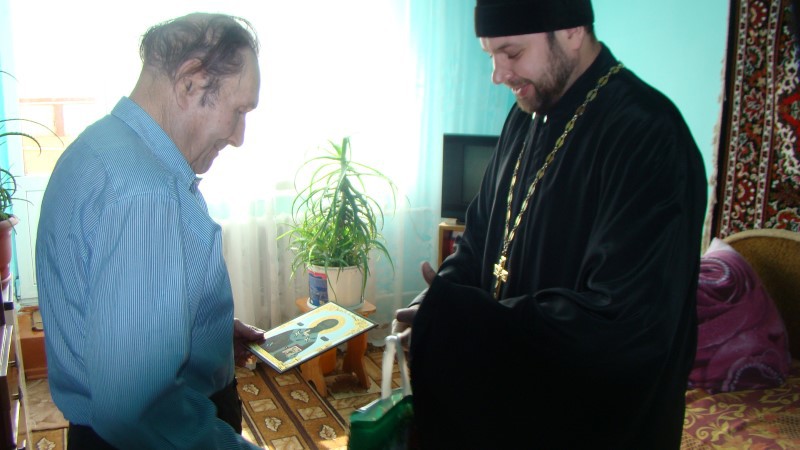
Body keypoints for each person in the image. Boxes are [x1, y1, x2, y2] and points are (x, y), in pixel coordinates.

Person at [393, 0, 707, 448]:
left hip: (595, 426)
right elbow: (479, 239)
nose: (498, 75)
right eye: (490, 56)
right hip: (513, 401)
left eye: (512, 53)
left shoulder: (649, 137)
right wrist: (439, 299)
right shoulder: (525, 115)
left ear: (572, 30)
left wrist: (466, 320)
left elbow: (622, 325)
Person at [35, 13, 265, 449]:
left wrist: (199, 331)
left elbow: (102, 309)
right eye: (239, 111)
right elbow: (137, 410)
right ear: (190, 83)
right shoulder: (147, 193)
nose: (239, 136)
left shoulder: (97, 146)